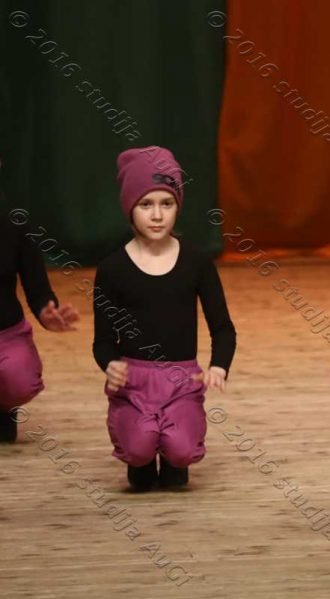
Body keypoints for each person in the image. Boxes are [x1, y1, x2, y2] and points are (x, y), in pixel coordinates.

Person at [92, 146, 236, 491]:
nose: (157, 215)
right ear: (130, 207)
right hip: (134, 383)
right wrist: (110, 364)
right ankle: (139, 459)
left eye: (166, 204)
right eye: (146, 204)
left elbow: (222, 327)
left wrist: (219, 366)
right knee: (139, 448)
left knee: (181, 450)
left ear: (177, 207)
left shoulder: (197, 263)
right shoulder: (112, 269)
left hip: (182, 380)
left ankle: (174, 457)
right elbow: (103, 340)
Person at [0, 187, 79, 442]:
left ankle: (3, 408)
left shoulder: (15, 226)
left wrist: (47, 312)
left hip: (5, 332)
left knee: (19, 381)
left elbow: (38, 289)